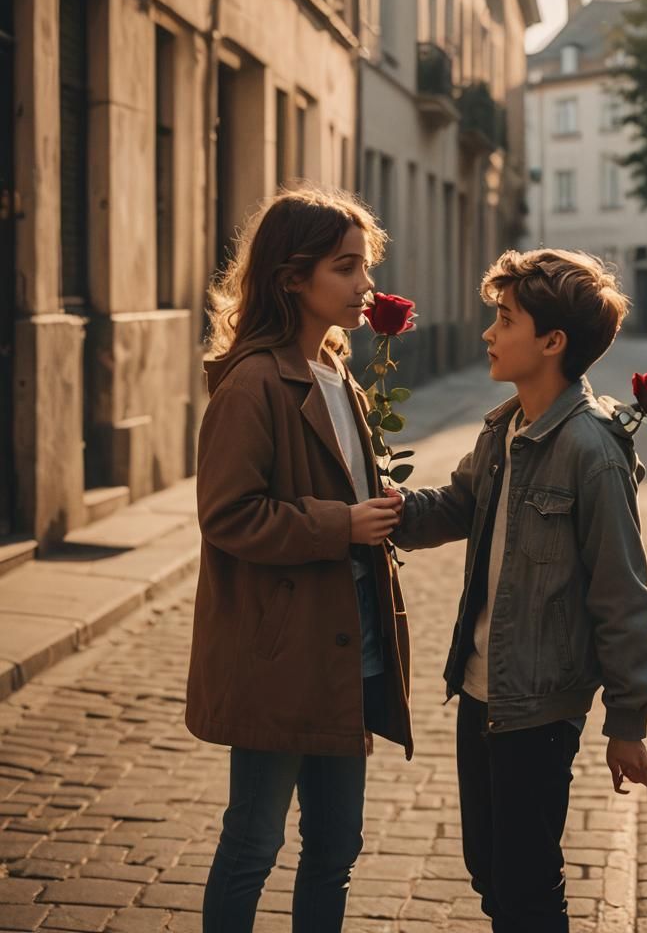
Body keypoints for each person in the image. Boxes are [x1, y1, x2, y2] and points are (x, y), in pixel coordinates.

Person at [392, 248, 647, 933]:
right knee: (491, 872)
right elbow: (456, 506)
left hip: (540, 708)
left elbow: (621, 595)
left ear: (552, 342)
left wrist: (628, 722)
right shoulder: (502, 431)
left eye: (505, 319)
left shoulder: (592, 452)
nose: (489, 333)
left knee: (527, 889)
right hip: (481, 692)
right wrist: (387, 510)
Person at [185, 186, 410, 932]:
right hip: (280, 655)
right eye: (346, 268)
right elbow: (227, 515)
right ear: (291, 276)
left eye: (365, 266)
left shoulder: (340, 376)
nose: (364, 286)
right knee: (253, 842)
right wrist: (340, 523)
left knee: (336, 846)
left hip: (352, 651)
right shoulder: (253, 383)